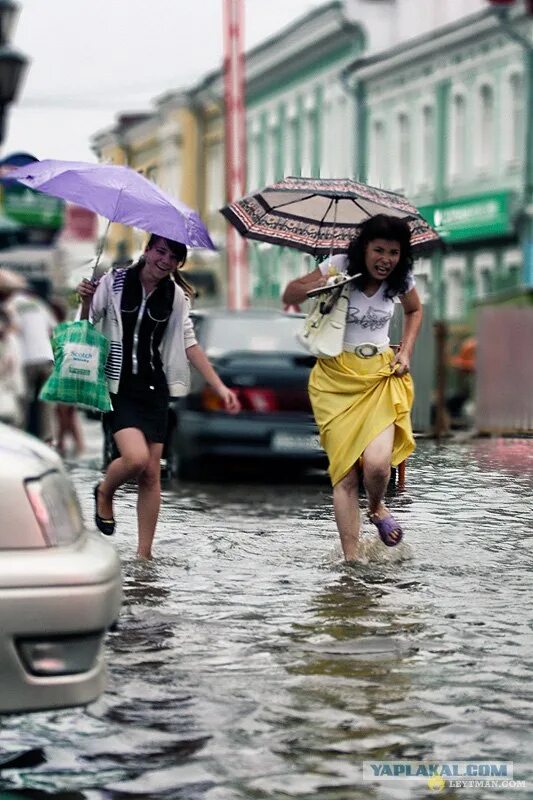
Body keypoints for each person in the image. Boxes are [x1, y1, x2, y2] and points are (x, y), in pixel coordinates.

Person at [77, 234, 241, 560]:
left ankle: (144, 554)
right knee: (135, 459)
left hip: (154, 389)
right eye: (161, 251)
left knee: (152, 473)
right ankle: (105, 492)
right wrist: (84, 300)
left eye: (174, 256)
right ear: (147, 249)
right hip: (118, 386)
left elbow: (189, 344)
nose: (165, 260)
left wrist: (219, 387)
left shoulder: (176, 297)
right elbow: (87, 323)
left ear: (179, 263)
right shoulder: (115, 281)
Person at [282, 214, 422, 561]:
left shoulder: (401, 279)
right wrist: (327, 282)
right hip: (334, 378)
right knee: (344, 471)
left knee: (377, 466)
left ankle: (376, 507)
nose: (386, 259)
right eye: (379, 250)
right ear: (365, 248)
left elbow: (415, 310)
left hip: (378, 374)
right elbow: (290, 294)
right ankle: (351, 561)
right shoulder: (340, 265)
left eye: (393, 252)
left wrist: (405, 350)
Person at [0, 269, 55, 442]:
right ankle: (47, 440)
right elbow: (52, 328)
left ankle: (19, 439)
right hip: (46, 357)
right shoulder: (37, 303)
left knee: (21, 400)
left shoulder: (10, 304)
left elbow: (13, 328)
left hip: (25, 359)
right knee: (45, 405)